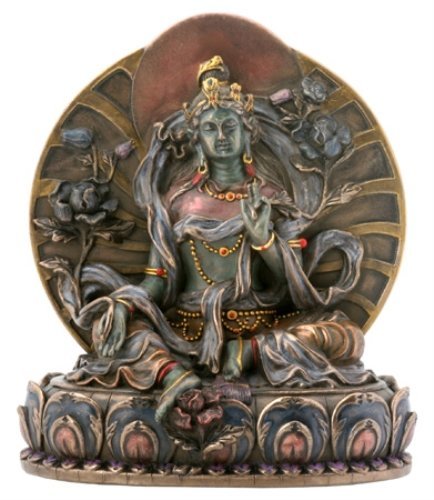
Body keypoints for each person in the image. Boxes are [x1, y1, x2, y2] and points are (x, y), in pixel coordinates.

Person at [67, 56, 374, 421]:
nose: (222, 137)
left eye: (230, 126)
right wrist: (124, 304)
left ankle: (245, 355)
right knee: (112, 327)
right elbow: (157, 283)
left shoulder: (271, 196)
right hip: (186, 332)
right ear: (198, 141)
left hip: (260, 328)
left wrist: (264, 240)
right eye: (210, 129)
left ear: (248, 134)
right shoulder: (177, 202)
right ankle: (174, 375)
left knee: (346, 336)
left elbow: (291, 289)